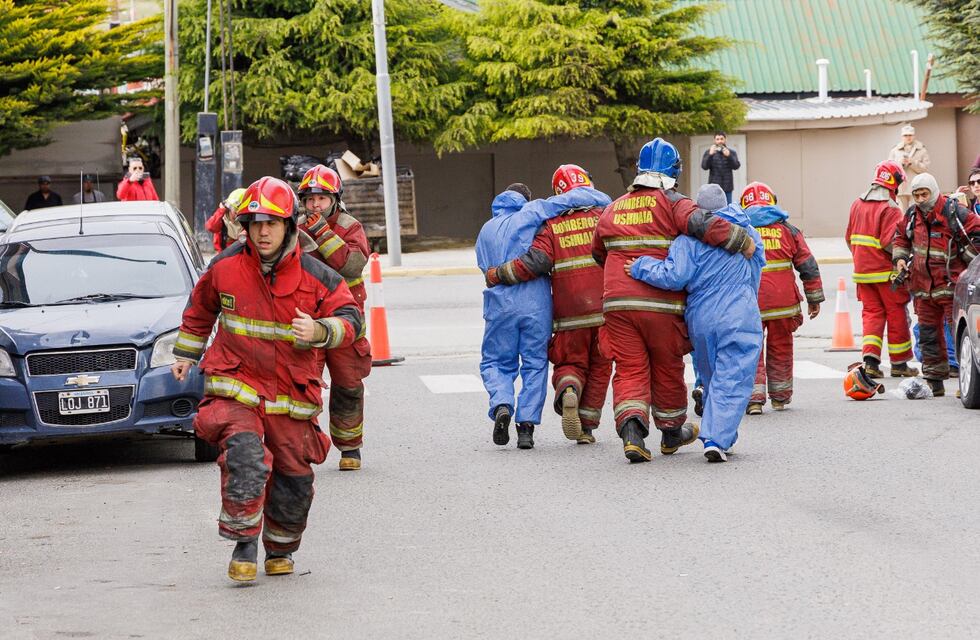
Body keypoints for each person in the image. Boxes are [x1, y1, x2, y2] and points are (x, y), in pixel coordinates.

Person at [170, 176, 362, 582]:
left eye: (271, 223)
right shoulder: (224, 267)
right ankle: (244, 544)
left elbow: (351, 318)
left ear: (289, 225)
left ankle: (280, 547)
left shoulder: (317, 274)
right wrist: (186, 354)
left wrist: (321, 330)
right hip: (235, 383)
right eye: (255, 223)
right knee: (245, 456)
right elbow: (200, 309)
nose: (262, 232)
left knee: (294, 478)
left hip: (291, 393)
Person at [592, 137, 757, 463]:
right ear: (674, 172)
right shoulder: (673, 203)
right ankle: (670, 432)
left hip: (617, 302)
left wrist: (620, 281)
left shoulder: (613, 207)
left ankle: (632, 433)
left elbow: (598, 252)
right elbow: (703, 224)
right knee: (666, 364)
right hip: (660, 304)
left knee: (629, 367)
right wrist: (740, 240)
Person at [625, 184, 765, 463]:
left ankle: (723, 435)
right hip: (739, 311)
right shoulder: (747, 234)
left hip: (701, 317)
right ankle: (716, 438)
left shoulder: (687, 240)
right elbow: (755, 273)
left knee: (712, 376)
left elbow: (673, 276)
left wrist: (640, 266)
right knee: (733, 377)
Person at [484, 165, 613, 444]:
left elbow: (537, 261)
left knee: (569, 361)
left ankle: (567, 389)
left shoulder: (551, 225)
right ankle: (584, 426)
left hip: (567, 314)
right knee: (599, 366)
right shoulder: (605, 216)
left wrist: (499, 274)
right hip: (604, 309)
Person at [296, 164, 372, 470]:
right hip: (307, 320)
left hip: (345, 320)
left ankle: (350, 448)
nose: (315, 205)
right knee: (303, 386)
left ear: (335, 200)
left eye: (322, 198)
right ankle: (303, 449)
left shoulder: (350, 227)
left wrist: (322, 233)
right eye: (310, 199)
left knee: (348, 384)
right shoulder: (294, 227)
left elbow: (352, 265)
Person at [893, 172, 980, 396]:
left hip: (951, 286)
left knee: (960, 335)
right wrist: (900, 259)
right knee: (928, 334)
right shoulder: (912, 215)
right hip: (923, 287)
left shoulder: (955, 212)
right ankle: (934, 381)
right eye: (917, 195)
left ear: (933, 191)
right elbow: (900, 236)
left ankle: (966, 382)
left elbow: (977, 233)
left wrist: (968, 259)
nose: (921, 199)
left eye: (925, 194)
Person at [741, 181, 825, 414]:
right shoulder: (788, 230)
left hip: (751, 304)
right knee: (781, 347)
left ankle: (754, 399)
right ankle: (780, 396)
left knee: (751, 349)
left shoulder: (741, 231)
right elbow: (807, 265)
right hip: (784, 304)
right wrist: (814, 298)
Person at [845, 161, 917, 378]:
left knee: (871, 315)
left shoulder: (857, 204)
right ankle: (899, 364)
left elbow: (849, 238)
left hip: (863, 273)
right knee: (896, 315)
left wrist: (862, 259)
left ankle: (870, 363)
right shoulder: (891, 208)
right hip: (886, 273)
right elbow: (891, 243)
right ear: (895, 182)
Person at [888, 124, 930, 212]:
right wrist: (900, 163)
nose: (908, 137)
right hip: (901, 187)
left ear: (914, 136)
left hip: (916, 186)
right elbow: (890, 168)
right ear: (902, 136)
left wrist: (912, 162)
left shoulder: (922, 149)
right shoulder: (895, 150)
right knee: (902, 213)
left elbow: (925, 168)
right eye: (905, 135)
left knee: (917, 212)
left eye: (910, 135)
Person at [700, 132, 741, 204]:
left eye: (722, 139)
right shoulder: (709, 152)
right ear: (714, 140)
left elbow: (736, 166)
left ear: (725, 140)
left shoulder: (731, 152)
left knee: (727, 207)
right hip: (714, 187)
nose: (720, 141)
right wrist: (710, 155)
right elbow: (704, 167)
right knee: (714, 207)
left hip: (727, 187)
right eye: (717, 139)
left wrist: (729, 156)